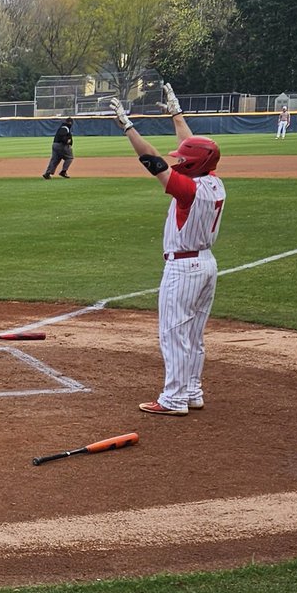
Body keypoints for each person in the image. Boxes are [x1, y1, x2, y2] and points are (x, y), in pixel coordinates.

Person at [109, 82, 225, 416]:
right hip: (206, 266)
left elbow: (152, 160)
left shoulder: (188, 191)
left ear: (194, 165)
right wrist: (177, 113)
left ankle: (173, 399)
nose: (180, 160)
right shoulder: (214, 182)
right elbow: (192, 149)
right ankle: (191, 391)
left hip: (183, 269)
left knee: (174, 333)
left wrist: (128, 127)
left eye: (184, 160)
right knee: (194, 334)